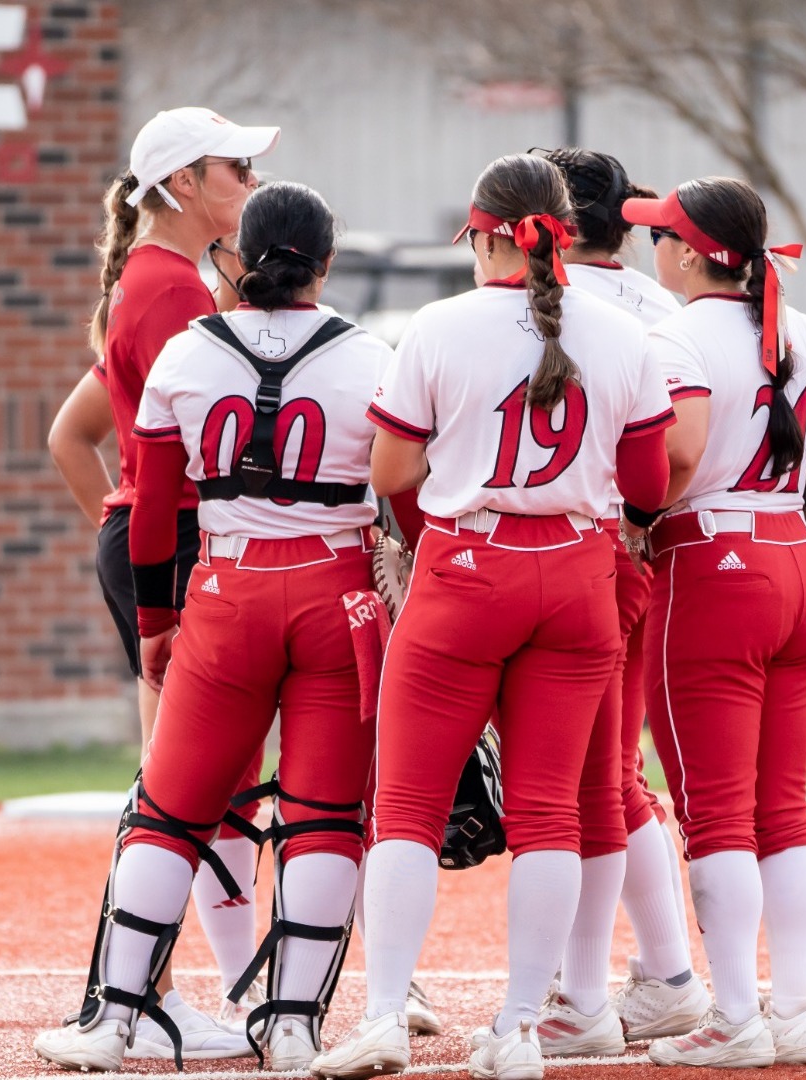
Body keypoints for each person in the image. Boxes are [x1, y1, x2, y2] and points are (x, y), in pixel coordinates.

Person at [311, 153, 674, 1080]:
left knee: (405, 804)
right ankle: (516, 1029)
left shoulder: (437, 325)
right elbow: (642, 484)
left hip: (466, 565)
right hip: (579, 570)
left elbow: (392, 474)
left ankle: (386, 1015)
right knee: (550, 811)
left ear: (483, 235)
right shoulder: (625, 330)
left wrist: (430, 532)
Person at [33, 181, 391, 1074]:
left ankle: (114, 1020)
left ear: (236, 257)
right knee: (322, 817)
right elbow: (405, 488)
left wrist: (156, 620)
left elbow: (153, 505)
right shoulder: (369, 356)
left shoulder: (190, 353)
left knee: (169, 809)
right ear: (327, 263)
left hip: (225, 590)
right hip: (335, 592)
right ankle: (295, 1024)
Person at [620, 179, 806, 1068]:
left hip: (709, 567)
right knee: (781, 808)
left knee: (716, 815)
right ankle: (793, 1012)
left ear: (695, 255)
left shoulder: (672, 334)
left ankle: (735, 1018)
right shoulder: (793, 326)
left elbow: (679, 453)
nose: (648, 249)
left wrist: (634, 518)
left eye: (660, 237)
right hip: (796, 563)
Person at [42, 105, 277, 1062]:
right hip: (175, 546)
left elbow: (72, 434)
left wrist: (121, 522)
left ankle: (153, 993)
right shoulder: (172, 290)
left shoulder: (154, 279)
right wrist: (142, 532)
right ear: (183, 184)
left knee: (194, 780)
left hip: (157, 541)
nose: (251, 187)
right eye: (236, 170)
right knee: (176, 785)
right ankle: (138, 999)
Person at [533, 147, 709, 1051]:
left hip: (571, 556)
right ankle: (664, 971)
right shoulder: (663, 307)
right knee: (608, 770)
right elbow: (681, 453)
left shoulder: (554, 307)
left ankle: (606, 988)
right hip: (646, 552)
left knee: (575, 778)